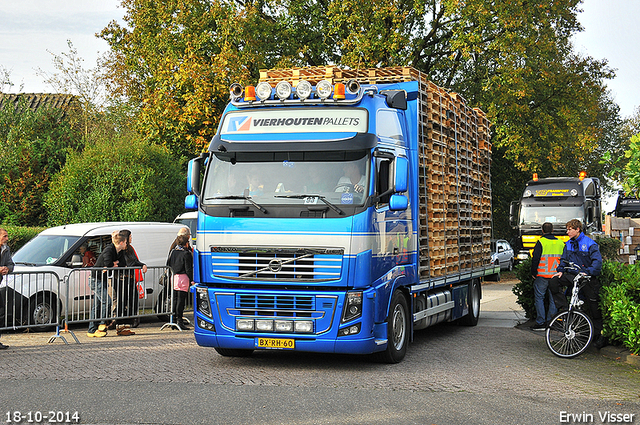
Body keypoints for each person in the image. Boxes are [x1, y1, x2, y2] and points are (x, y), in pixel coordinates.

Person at [548, 219, 605, 348]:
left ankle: (597, 336)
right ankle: (564, 309)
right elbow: (563, 260)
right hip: (573, 276)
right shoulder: (567, 244)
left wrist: (588, 272)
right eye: (567, 229)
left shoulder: (590, 244)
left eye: (569, 229)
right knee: (554, 281)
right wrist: (560, 271)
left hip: (587, 278)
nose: (567, 232)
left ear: (577, 229)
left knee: (593, 307)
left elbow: (597, 263)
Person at [88, 233, 127, 337]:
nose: (126, 244)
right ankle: (102, 323)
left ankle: (91, 329)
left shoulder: (119, 252)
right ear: (121, 243)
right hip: (96, 279)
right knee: (107, 301)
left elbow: (122, 264)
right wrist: (112, 264)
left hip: (102, 279)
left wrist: (113, 264)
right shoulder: (109, 249)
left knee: (96, 305)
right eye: (126, 242)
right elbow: (108, 262)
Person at [529, 222, 564, 331]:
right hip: (556, 276)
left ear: (542, 231)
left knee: (539, 298)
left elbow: (535, 258)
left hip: (542, 275)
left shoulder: (541, 242)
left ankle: (540, 322)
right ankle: (551, 322)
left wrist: (533, 272)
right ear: (553, 230)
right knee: (554, 299)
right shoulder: (561, 243)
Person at [114, 229, 147, 336]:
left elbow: (134, 260)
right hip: (121, 278)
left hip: (130, 277)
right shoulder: (120, 248)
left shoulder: (130, 248)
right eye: (130, 237)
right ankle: (120, 322)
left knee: (133, 298)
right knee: (122, 300)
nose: (131, 238)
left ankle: (131, 319)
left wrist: (142, 264)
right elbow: (127, 262)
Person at [167, 233, 193, 330]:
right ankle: (179, 320)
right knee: (181, 300)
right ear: (186, 243)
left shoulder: (173, 252)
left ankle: (173, 320)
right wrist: (192, 280)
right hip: (183, 278)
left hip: (174, 277)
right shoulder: (186, 253)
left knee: (174, 299)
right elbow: (188, 269)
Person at [0, 228, 15, 350]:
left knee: (0, 312)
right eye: (5, 236)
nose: (7, 239)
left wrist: (7, 269)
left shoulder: (6, 249)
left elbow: (11, 264)